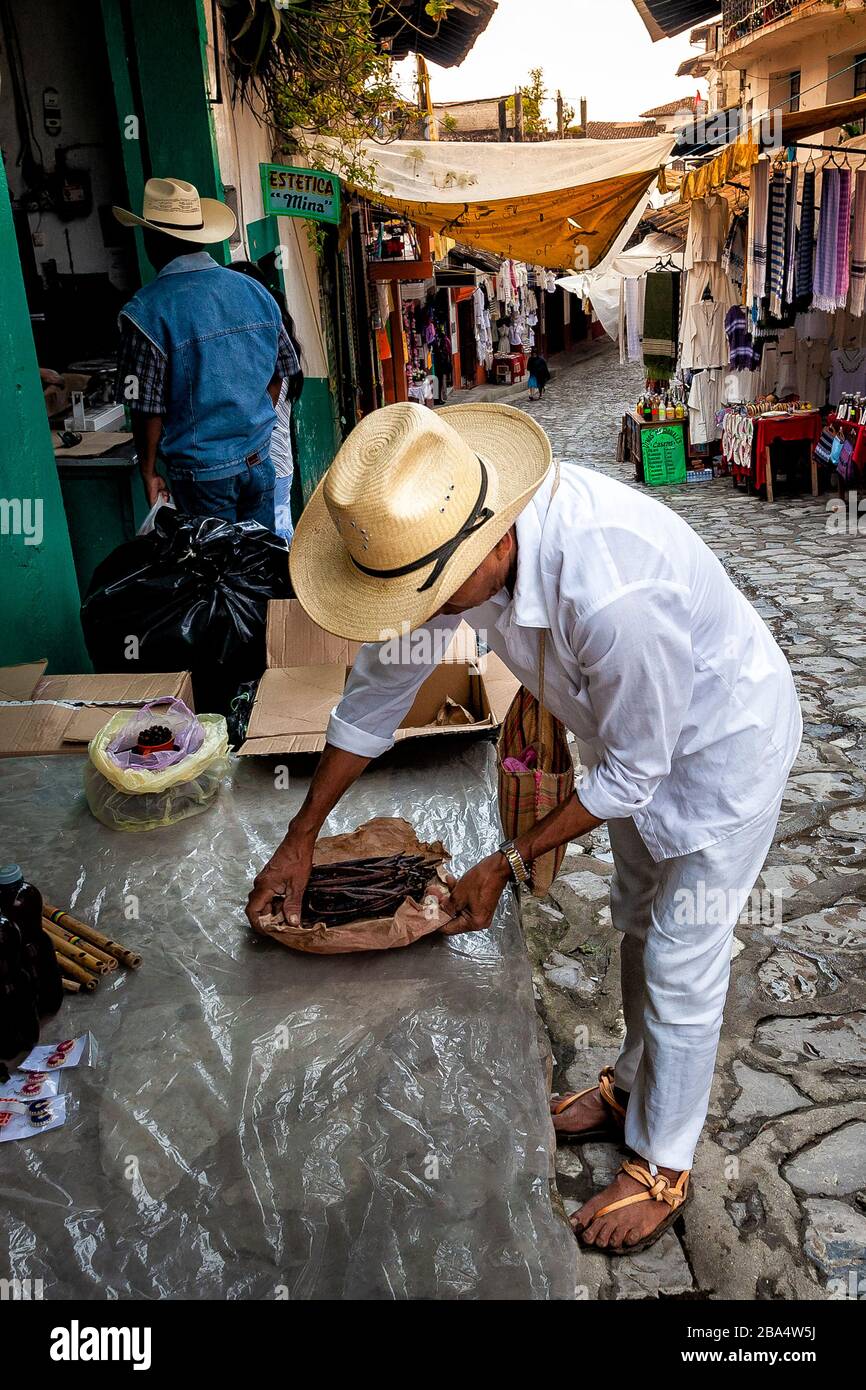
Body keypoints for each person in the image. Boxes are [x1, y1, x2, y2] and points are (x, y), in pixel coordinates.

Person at [245, 401, 801, 1257]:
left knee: (682, 958)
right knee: (636, 926)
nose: (423, 612)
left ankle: (664, 1163)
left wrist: (505, 861)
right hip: (631, 744)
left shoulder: (615, 588)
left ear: (487, 541)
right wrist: (303, 834)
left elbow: (634, 773)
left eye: (427, 593)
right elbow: (375, 700)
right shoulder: (448, 548)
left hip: (719, 750)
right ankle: (630, 1088)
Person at [113, 178, 299, 528]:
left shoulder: (145, 312)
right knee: (255, 567)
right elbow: (281, 371)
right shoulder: (255, 291)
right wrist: (248, 422)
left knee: (214, 574)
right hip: (259, 462)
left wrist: (149, 471)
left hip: (202, 476)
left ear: (152, 240)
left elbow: (145, 409)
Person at [229, 261, 304, 542]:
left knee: (277, 538)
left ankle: (291, 583)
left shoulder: (266, 346)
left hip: (270, 463)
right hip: (278, 463)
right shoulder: (280, 342)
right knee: (279, 534)